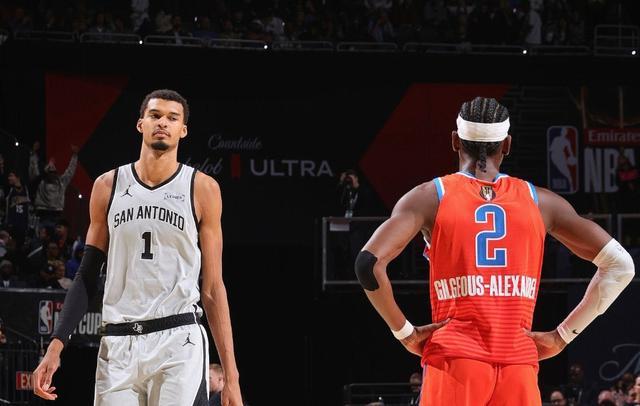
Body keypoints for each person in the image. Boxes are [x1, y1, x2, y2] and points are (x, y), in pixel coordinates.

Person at [355, 97, 635, 406]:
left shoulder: (428, 198)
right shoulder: (542, 202)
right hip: (518, 363)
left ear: (454, 141)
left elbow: (368, 264)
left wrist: (405, 333)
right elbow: (621, 265)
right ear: (507, 144)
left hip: (454, 360)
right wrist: (562, 336)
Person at [32, 89, 243, 405]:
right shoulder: (107, 186)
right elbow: (87, 275)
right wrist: (56, 344)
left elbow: (212, 287)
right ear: (140, 124)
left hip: (178, 340)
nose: (163, 123)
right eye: (155, 115)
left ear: (183, 130)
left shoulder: (202, 188)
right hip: (118, 341)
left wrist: (231, 376)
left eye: (172, 118)